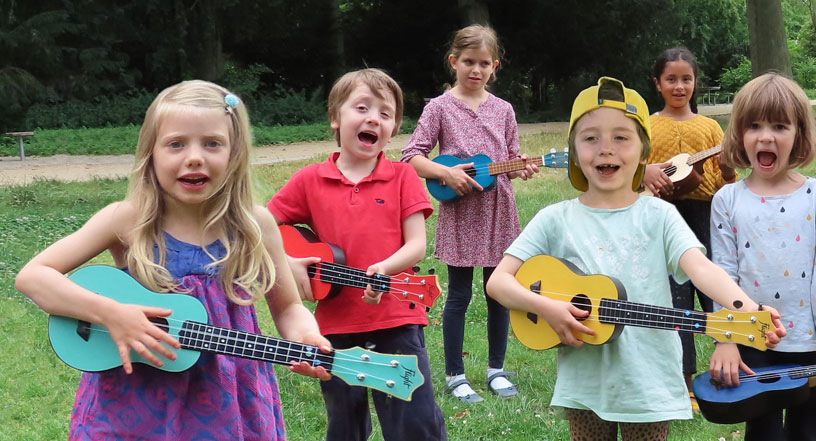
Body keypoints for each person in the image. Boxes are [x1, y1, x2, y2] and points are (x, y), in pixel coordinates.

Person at [14, 80, 332, 440]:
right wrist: (111, 314)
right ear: (151, 154)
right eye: (176, 144)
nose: (194, 156)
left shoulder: (254, 225)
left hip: (228, 400)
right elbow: (33, 276)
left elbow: (288, 306)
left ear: (235, 152)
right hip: (133, 400)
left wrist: (306, 335)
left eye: (212, 143)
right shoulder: (127, 220)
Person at [486, 76, 786, 440]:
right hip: (585, 386)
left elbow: (701, 268)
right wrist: (547, 308)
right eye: (590, 137)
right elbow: (498, 281)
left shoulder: (659, 216)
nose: (605, 149)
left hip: (648, 381)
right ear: (575, 151)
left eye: (621, 137)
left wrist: (746, 308)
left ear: (644, 152)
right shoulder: (555, 219)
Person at [267, 68, 446, 441]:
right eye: (362, 107)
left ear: (394, 127)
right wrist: (288, 262)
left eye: (385, 113)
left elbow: (417, 244)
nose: (373, 119)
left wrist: (385, 268)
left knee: (414, 423)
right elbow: (261, 227)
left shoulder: (402, 177)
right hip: (333, 325)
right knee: (344, 425)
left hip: (397, 317)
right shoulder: (309, 180)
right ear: (335, 117)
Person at [708, 73, 816, 441]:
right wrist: (726, 338)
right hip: (753, 343)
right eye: (754, 125)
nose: (766, 136)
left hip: (808, 343)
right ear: (739, 134)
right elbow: (721, 275)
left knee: (806, 431)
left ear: (798, 134)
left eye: (779, 126)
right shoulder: (727, 200)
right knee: (762, 433)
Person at [401, 24, 537, 403]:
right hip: (461, 215)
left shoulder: (504, 110)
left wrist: (521, 167)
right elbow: (411, 155)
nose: (475, 70)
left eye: (483, 64)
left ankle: (496, 370)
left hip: (498, 213)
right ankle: (455, 375)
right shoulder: (440, 107)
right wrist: (444, 172)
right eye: (468, 62)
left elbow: (512, 157)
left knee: (499, 293)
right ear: (453, 62)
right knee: (459, 296)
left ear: (495, 66)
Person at [641, 47, 737, 409]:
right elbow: (638, 179)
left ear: (695, 83)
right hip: (663, 219)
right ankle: (682, 381)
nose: (679, 86)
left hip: (704, 215)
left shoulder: (710, 128)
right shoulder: (648, 126)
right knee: (675, 298)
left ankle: (726, 369)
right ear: (658, 84)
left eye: (686, 79)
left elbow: (724, 185)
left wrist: (727, 169)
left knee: (713, 292)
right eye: (671, 79)